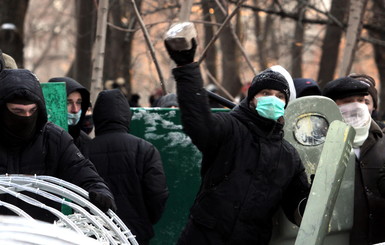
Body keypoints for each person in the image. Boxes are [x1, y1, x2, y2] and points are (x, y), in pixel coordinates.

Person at [165, 39, 310, 244]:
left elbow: (300, 206)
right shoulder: (230, 128)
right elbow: (198, 122)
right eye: (265, 93)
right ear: (252, 98)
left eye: (280, 96)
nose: (273, 99)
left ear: (286, 104)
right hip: (204, 237)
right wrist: (187, 68)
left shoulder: (289, 156)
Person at [0, 69, 116, 222]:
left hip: (41, 234)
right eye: (18, 112)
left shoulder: (53, 139)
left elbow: (81, 169)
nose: (27, 117)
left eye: (32, 111)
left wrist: (99, 190)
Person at [83, 89, 169, 245]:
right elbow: (157, 194)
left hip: (96, 233)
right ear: (126, 115)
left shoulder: (84, 150)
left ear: (98, 116)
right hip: (135, 234)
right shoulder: (145, 149)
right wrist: (145, 220)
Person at [322, 77, 385, 245]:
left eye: (361, 101)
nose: (357, 106)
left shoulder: (381, 141)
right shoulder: (320, 144)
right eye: (348, 102)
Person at [48, 77, 92, 151]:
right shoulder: (40, 140)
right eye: (68, 103)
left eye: (78, 102)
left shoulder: (86, 142)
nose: (75, 109)